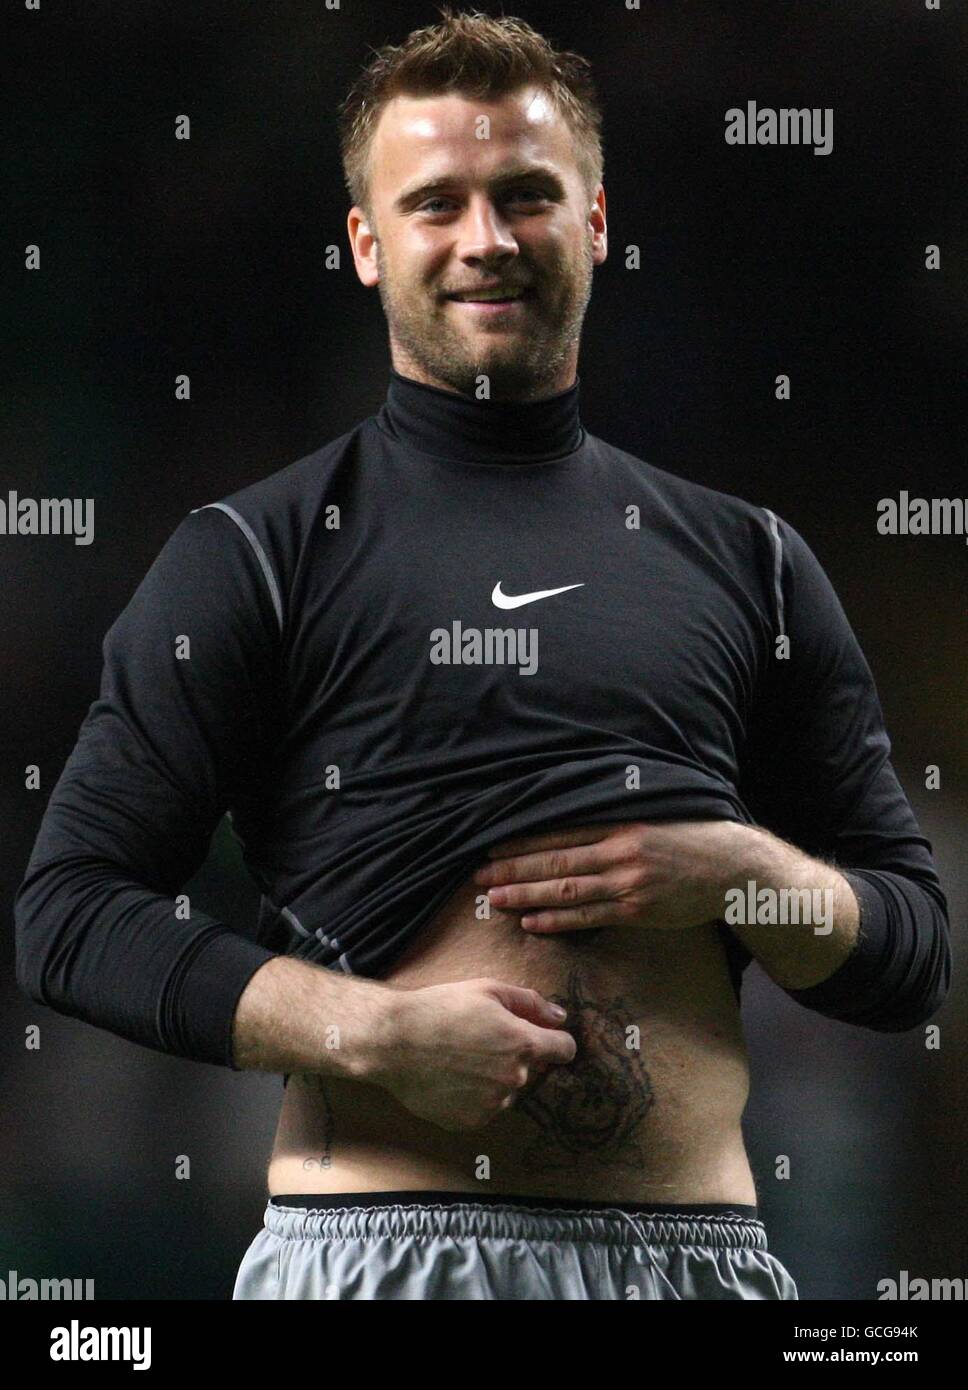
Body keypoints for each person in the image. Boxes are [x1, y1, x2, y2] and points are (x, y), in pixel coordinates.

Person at [15, 9, 950, 1301]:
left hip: (699, 1271)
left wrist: (743, 872)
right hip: (376, 1264)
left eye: (526, 195)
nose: (487, 239)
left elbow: (912, 953)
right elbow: (68, 915)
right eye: (436, 202)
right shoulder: (254, 553)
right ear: (365, 242)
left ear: (597, 221)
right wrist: (372, 1030)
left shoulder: (755, 561)